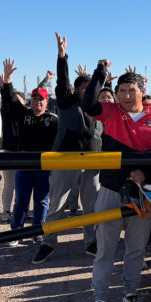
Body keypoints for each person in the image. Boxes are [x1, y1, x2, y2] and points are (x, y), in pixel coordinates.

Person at [81, 60, 151, 302]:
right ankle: (100, 299)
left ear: (142, 92)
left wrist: (146, 173)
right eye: (121, 90)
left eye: (131, 90)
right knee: (105, 250)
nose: (126, 95)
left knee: (135, 250)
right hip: (110, 190)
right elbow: (88, 104)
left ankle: (130, 294)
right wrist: (100, 72)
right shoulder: (110, 112)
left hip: (141, 194)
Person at [34, 33, 102, 264]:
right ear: (76, 90)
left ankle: (91, 242)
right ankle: (48, 243)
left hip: (93, 161)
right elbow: (62, 82)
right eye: (83, 87)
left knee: (91, 207)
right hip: (66, 159)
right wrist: (62, 56)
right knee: (57, 205)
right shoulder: (66, 102)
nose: (87, 90)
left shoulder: (99, 108)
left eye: (91, 87)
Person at [0, 59, 59, 244]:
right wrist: (8, 78)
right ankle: (16, 233)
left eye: (41, 99)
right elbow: (11, 100)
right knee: (21, 200)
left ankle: (37, 232)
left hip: (45, 165)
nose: (37, 102)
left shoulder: (53, 119)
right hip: (24, 163)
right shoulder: (23, 114)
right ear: (30, 101)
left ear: (47, 102)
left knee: (42, 201)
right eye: (34, 99)